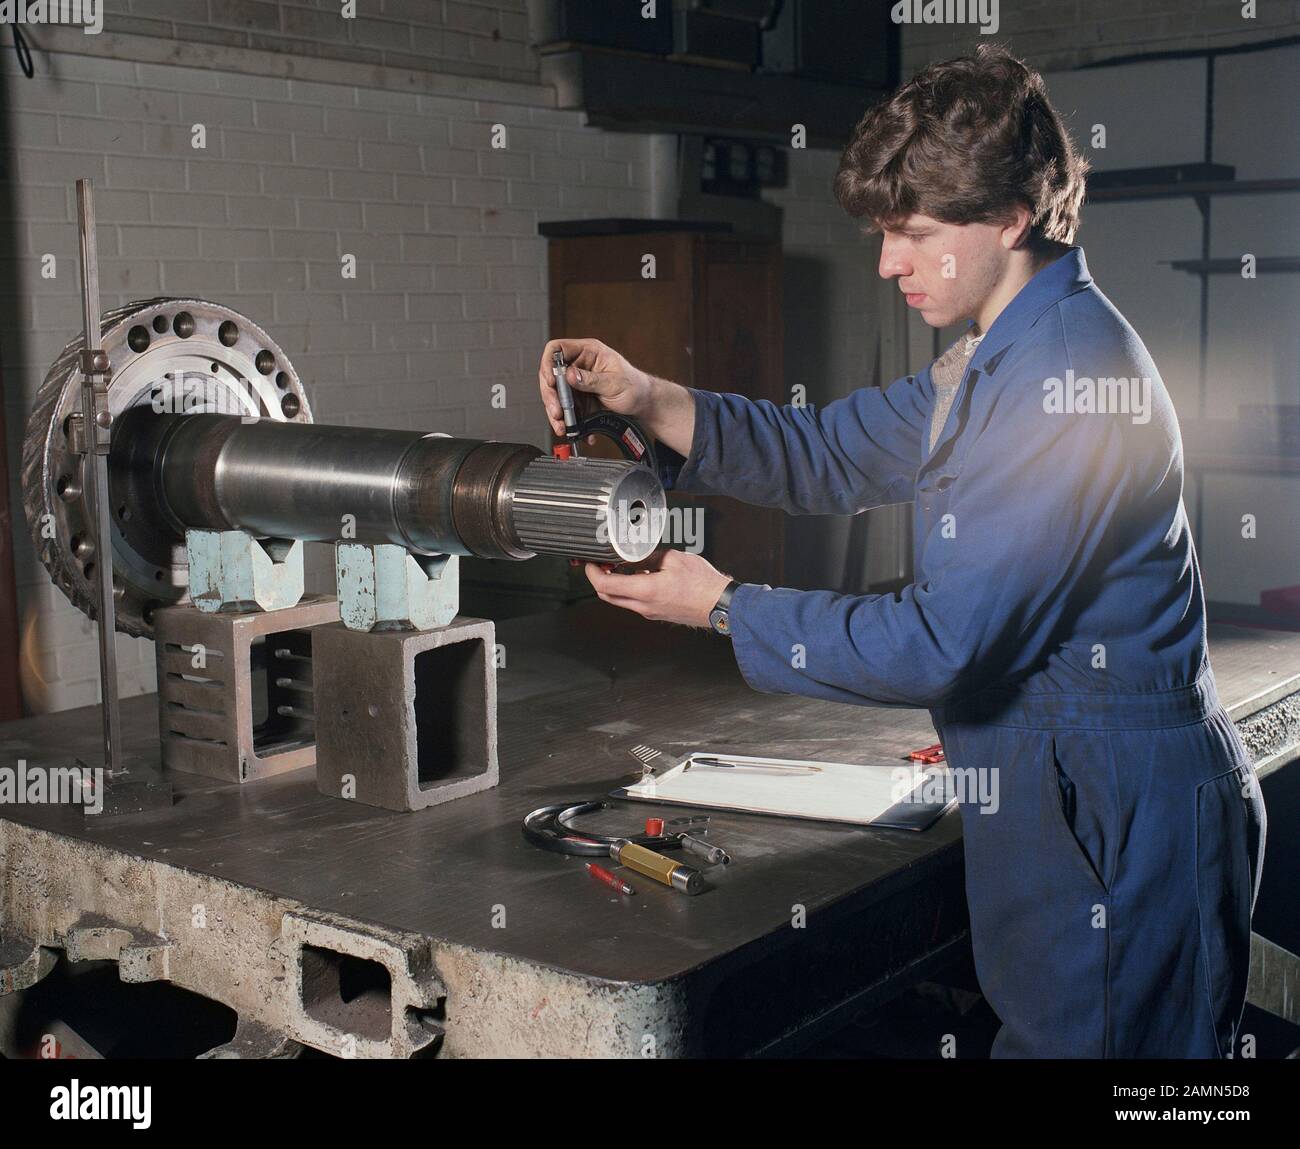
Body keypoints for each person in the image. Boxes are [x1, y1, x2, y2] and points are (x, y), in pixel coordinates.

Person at [536, 45, 1265, 1059]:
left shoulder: (1064, 378)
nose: (887, 264)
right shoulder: (999, 354)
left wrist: (721, 606)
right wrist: (651, 398)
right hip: (1065, 786)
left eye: (914, 235)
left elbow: (944, 641)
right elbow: (832, 451)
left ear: (1011, 218)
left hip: (1115, 813)